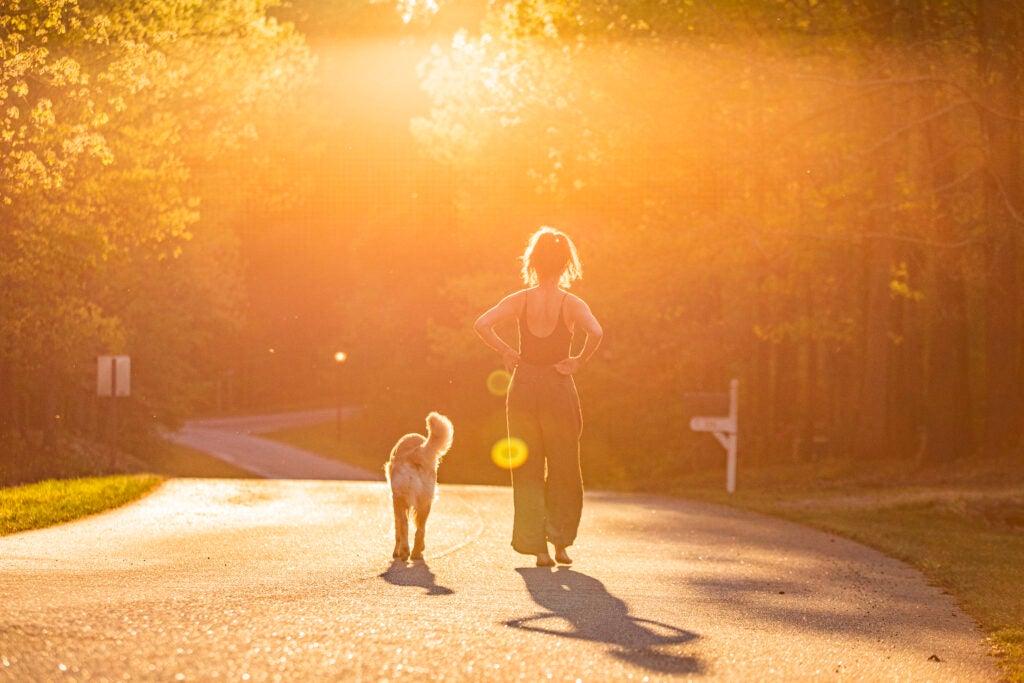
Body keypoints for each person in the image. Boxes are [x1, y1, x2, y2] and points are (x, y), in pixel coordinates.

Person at [474, 227, 603, 567]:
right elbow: (597, 331)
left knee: (527, 468)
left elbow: (482, 323)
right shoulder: (571, 304)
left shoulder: (520, 300)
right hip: (558, 387)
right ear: (565, 265)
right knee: (564, 467)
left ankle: (539, 551)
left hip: (524, 386)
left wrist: (506, 351)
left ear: (533, 262)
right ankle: (560, 545)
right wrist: (578, 361)